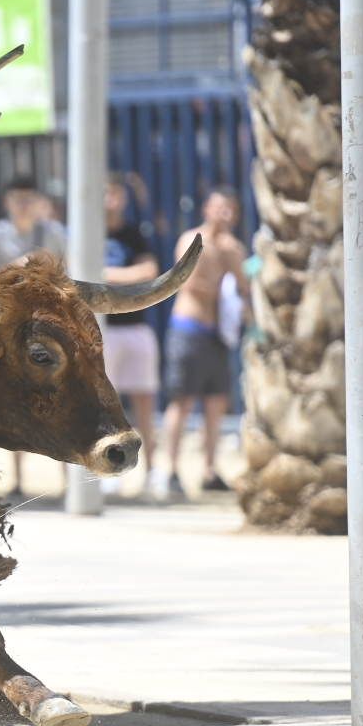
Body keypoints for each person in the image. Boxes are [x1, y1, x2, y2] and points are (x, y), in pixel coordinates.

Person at [159, 187, 249, 499]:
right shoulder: (191, 240)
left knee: (216, 403)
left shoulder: (233, 248)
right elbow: (188, 282)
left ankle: (210, 470)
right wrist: (221, 261)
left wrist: (232, 262)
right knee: (182, 402)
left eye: (230, 209)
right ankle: (169, 469)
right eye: (220, 208)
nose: (225, 215)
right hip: (188, 329)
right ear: (208, 209)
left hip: (217, 334)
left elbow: (243, 288)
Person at [99, 175, 160, 496]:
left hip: (134, 327)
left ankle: (153, 472)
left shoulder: (134, 233)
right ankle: (113, 473)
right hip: (101, 332)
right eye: (106, 193)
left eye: (117, 194)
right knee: (107, 408)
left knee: (144, 405)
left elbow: (148, 272)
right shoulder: (86, 232)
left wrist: (105, 276)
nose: (112, 200)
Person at [0, 176, 66, 271]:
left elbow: (70, 271)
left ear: (37, 201)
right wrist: (15, 267)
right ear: (6, 202)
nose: (24, 206)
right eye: (18, 199)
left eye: (28, 199)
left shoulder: (54, 232)